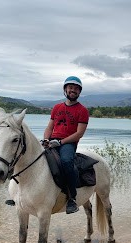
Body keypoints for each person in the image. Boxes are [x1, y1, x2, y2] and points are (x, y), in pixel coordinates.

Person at [42, 76, 89, 214]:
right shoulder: (57, 107)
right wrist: (46, 139)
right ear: (65, 90)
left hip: (68, 143)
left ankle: (72, 198)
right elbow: (49, 127)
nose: (72, 90)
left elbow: (79, 133)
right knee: (28, 155)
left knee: (66, 161)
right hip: (52, 140)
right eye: (70, 87)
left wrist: (61, 142)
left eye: (75, 88)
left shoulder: (82, 110)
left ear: (79, 92)